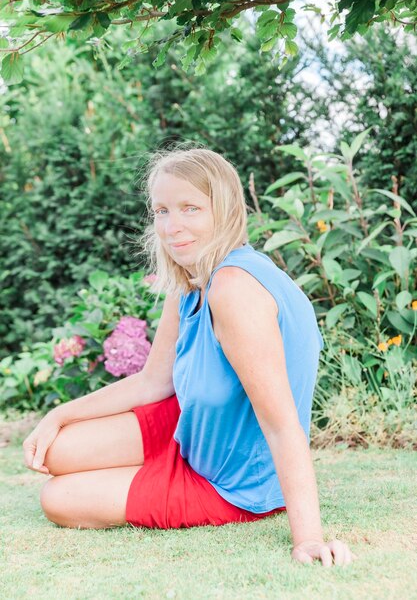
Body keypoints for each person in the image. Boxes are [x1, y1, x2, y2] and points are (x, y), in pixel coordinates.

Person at [23, 146, 356, 567]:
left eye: (190, 208)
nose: (172, 226)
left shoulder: (234, 288)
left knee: (58, 498)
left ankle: (159, 476)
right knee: (58, 450)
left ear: (226, 210)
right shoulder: (192, 280)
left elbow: (281, 423)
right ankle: (148, 463)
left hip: (233, 483)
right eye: (162, 211)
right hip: (192, 429)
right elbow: (153, 382)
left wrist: (308, 539)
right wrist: (59, 415)